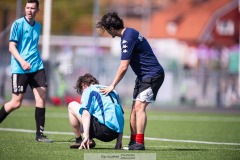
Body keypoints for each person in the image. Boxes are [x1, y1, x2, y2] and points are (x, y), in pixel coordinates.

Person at [96, 12, 165, 150]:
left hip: (153, 75)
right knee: (133, 110)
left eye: (106, 29)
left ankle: (139, 142)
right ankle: (134, 142)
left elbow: (123, 66)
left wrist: (112, 85)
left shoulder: (127, 38)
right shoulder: (130, 33)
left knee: (139, 108)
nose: (107, 32)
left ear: (111, 28)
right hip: (143, 77)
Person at [0, 0, 52, 142]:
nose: (29, 10)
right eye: (27, 8)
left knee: (41, 97)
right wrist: (22, 62)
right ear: (25, 8)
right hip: (20, 68)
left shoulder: (38, 26)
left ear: (37, 10)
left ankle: (39, 135)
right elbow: (12, 47)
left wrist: (31, 62)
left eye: (32, 8)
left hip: (37, 66)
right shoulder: (18, 24)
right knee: (16, 103)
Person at [67, 73, 124, 149]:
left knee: (72, 105)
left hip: (103, 131)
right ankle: (88, 138)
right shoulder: (113, 91)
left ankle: (79, 140)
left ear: (83, 85)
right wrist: (119, 142)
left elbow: (86, 114)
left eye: (81, 90)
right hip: (115, 134)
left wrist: (86, 136)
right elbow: (120, 115)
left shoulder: (89, 90)